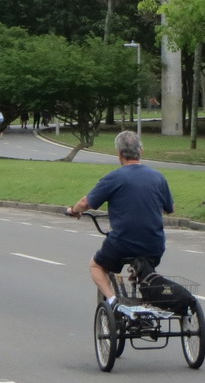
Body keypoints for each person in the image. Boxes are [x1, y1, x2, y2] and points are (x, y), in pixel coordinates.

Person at [67, 131, 174, 314]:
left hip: (122, 243)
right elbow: (169, 208)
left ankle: (114, 301)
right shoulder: (158, 177)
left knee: (96, 265)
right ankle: (147, 302)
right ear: (141, 150)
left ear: (119, 154)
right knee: (146, 268)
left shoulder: (114, 178)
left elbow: (86, 203)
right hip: (154, 244)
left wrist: (73, 211)